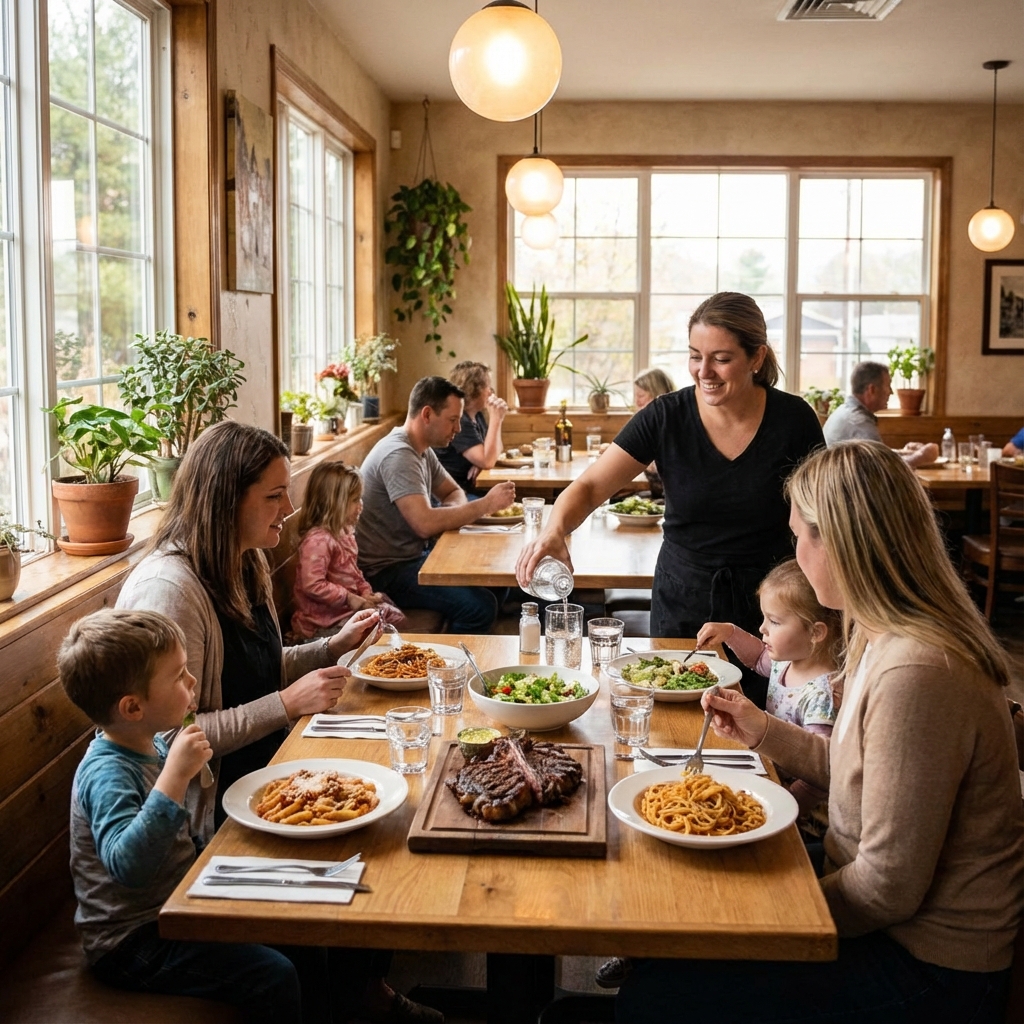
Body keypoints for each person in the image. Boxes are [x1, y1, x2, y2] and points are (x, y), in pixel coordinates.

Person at [617, 441, 1023, 1024]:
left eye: (802, 537)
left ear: (845, 541)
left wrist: (763, 918)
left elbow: (888, 888)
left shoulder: (917, 669)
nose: (798, 556)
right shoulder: (882, 633)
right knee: (668, 912)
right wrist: (764, 732)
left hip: (929, 964)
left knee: (655, 996)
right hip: (865, 891)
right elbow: (863, 771)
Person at [116, 422, 444, 1024]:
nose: (289, 508)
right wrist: (285, 705)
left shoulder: (244, 562)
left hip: (273, 764)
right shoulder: (169, 589)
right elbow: (168, 741)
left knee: (393, 812)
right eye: (273, 496)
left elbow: (262, 666)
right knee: (374, 836)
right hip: (206, 810)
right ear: (225, 498)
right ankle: (346, 999)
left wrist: (329, 646)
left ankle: (358, 992)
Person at [516, 291, 824, 706]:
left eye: (721, 357)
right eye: (695, 355)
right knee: (675, 715)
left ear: (756, 357)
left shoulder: (794, 420)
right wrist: (556, 530)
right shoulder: (666, 416)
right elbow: (590, 486)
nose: (704, 371)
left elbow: (823, 515)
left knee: (763, 724)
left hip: (772, 608)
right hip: (684, 598)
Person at [597, 558, 842, 992]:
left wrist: (780, 807)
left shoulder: (820, 694)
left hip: (798, 814)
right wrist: (731, 633)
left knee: (695, 862)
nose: (763, 630)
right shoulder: (788, 661)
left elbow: (821, 771)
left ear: (817, 632)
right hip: (766, 775)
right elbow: (760, 658)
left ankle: (669, 949)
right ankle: (647, 945)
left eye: (773, 621)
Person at [60, 608, 303, 1022]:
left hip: (176, 907)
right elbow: (129, 867)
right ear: (133, 708)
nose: (192, 683)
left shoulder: (145, 742)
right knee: (273, 975)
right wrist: (174, 775)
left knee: (294, 915)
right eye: (179, 676)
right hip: (131, 941)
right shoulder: (106, 772)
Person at [356, 376, 517, 633]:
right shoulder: (398, 455)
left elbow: (453, 491)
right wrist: (486, 504)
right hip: (387, 571)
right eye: (453, 420)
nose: (459, 429)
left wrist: (445, 514)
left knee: (497, 582)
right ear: (427, 414)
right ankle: (447, 666)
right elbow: (424, 525)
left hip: (415, 556)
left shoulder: (421, 448)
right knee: (480, 606)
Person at [291, 461, 405, 641]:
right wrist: (349, 597)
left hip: (344, 612)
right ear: (333, 503)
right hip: (323, 623)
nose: (360, 505)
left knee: (392, 614)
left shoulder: (343, 533)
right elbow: (312, 584)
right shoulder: (318, 541)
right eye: (354, 500)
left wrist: (365, 592)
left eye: (360, 498)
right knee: (385, 629)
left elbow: (353, 572)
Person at [823, 361, 940, 467]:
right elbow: (883, 468)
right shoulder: (859, 422)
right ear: (872, 390)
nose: (891, 392)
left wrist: (905, 452)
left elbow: (873, 456)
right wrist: (921, 456)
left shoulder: (844, 411)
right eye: (888, 386)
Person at [433, 361, 508, 493]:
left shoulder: (477, 416)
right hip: (451, 496)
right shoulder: (459, 420)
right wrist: (496, 418)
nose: (491, 392)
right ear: (473, 390)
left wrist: (479, 464)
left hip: (468, 489)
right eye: (488, 386)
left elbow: (495, 451)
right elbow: (488, 461)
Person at [632, 368, 676, 497]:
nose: (637, 402)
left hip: (670, 503)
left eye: (640, 396)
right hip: (656, 495)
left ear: (657, 394)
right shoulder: (648, 423)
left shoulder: (673, 425)